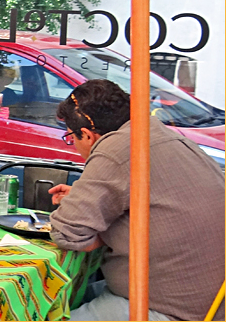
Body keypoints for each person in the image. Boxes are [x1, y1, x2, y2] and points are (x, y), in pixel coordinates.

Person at [48, 79, 224, 321]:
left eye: (71, 138)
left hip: (171, 308)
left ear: (87, 135)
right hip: (207, 298)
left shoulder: (115, 149)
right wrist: (92, 202)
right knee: (62, 296)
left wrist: (97, 222)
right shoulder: (154, 131)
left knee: (46, 309)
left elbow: (67, 234)